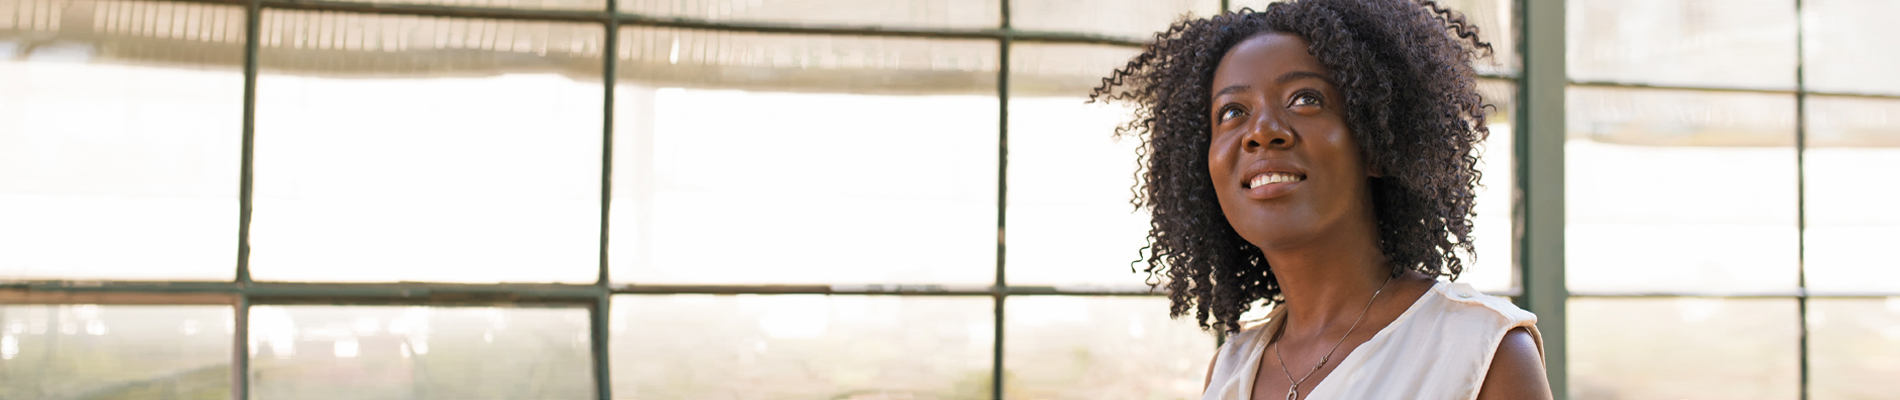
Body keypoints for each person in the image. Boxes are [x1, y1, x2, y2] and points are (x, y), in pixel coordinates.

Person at [1088, 1, 1551, 399]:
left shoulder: (1482, 352)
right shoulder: (1230, 371)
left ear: (1374, 144)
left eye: (1305, 99)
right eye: (1232, 112)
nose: (1262, 131)